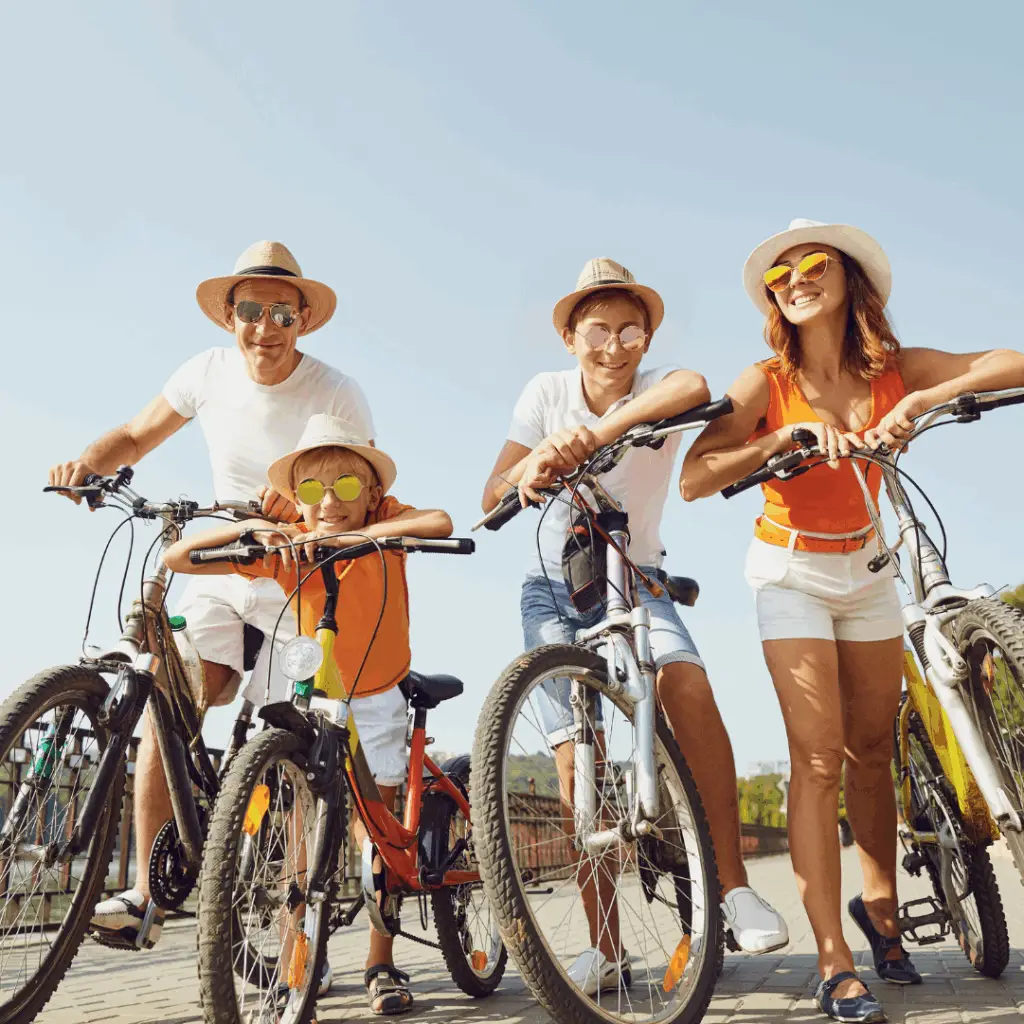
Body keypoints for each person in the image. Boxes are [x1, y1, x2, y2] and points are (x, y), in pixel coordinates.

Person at [681, 218, 1024, 1023]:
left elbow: (1010, 361)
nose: (794, 278)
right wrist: (783, 440)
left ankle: (882, 908)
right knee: (819, 758)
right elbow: (696, 475)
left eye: (813, 264)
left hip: (868, 569)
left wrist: (926, 402)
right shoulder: (766, 381)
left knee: (873, 750)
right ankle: (835, 960)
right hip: (790, 571)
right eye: (780, 274)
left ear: (848, 278)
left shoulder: (893, 368)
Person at [48, 241, 373, 983]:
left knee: (291, 751)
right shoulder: (206, 372)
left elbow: (358, 486)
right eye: (251, 311)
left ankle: (298, 938)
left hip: (302, 578)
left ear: (303, 320)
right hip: (226, 562)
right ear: (231, 315)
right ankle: (145, 896)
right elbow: (135, 435)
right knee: (174, 688)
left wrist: (304, 513)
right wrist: (85, 465)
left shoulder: (336, 392)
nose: (265, 327)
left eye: (281, 312)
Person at [482, 258, 788, 996]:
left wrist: (590, 436)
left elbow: (691, 392)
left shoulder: (661, 386)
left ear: (647, 337)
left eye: (629, 329)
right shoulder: (544, 394)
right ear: (569, 336)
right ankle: (606, 946)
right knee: (571, 759)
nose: (614, 344)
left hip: (636, 573)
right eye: (597, 329)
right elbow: (493, 488)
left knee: (687, 683)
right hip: (553, 587)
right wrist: (529, 473)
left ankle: (734, 888)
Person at [166, 415, 452, 1016]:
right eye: (314, 490)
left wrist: (356, 541)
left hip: (378, 690)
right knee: (300, 826)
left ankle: (382, 962)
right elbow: (180, 557)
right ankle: (302, 957)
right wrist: (259, 530)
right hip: (318, 693)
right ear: (297, 497)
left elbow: (439, 523)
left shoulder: (382, 523)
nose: (330, 502)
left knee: (380, 832)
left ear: (372, 494)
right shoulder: (290, 542)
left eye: (347, 487)